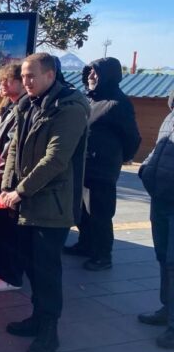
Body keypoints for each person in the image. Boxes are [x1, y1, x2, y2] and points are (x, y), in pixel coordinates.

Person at [0, 53, 89, 352]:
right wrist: (6, 186)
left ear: (51, 75)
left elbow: (56, 159)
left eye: (31, 76)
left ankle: (49, 332)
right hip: (25, 203)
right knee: (31, 267)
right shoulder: (28, 104)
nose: (25, 81)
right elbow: (14, 149)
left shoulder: (70, 107)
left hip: (51, 205)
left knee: (47, 271)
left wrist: (19, 192)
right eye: (23, 76)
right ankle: (37, 317)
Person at [65, 57, 141, 271]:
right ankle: (85, 245)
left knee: (100, 213)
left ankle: (102, 255)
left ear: (108, 75)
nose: (91, 76)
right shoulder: (89, 100)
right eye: (89, 71)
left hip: (102, 170)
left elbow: (132, 137)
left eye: (96, 72)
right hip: (83, 167)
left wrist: (119, 157)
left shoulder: (118, 103)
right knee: (82, 211)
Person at [0, 64, 26, 292]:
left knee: (10, 229)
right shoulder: (8, 106)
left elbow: (12, 147)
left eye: (8, 80)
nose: (3, 84)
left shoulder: (23, 108)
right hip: (0, 174)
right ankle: (1, 265)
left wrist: (0, 173)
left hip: (10, 177)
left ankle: (11, 275)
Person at [137, 92, 174, 349]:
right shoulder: (171, 117)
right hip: (161, 198)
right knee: (163, 257)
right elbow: (157, 149)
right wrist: (145, 169)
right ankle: (167, 308)